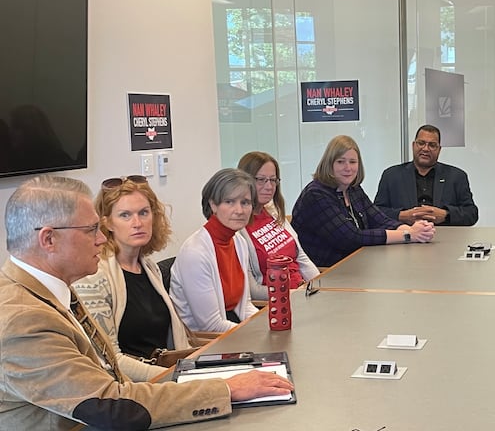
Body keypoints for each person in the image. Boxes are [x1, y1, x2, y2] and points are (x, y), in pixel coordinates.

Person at [0, 175, 293, 429]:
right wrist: (223, 389)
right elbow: (110, 405)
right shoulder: (22, 319)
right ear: (48, 240)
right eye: (92, 230)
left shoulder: (49, 288)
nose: (102, 239)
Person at [72, 175, 198, 382]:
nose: (137, 223)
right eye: (125, 215)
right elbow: (111, 360)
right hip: (132, 389)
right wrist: (181, 379)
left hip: (165, 377)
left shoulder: (148, 266)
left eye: (144, 213)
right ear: (107, 223)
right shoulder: (94, 278)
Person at [292, 135, 435, 267]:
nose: (348, 168)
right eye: (340, 162)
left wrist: (412, 229)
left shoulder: (353, 188)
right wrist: (408, 235)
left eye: (353, 162)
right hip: (326, 274)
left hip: (355, 265)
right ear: (329, 164)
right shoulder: (316, 195)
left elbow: (379, 220)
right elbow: (351, 238)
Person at [170, 168, 260, 332]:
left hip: (232, 328)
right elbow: (210, 326)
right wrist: (255, 334)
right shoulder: (195, 252)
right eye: (229, 202)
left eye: (245, 202)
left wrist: (263, 325)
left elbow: (245, 305)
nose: (239, 210)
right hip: (204, 344)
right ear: (213, 205)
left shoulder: (238, 241)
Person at [237, 151, 319, 297]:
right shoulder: (238, 229)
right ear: (245, 181)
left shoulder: (273, 212)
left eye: (273, 180)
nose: (269, 186)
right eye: (261, 180)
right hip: (278, 303)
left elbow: (301, 259)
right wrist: (293, 294)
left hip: (304, 292)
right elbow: (253, 291)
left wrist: (320, 287)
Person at [373, 124, 478, 226]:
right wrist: (402, 215)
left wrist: (446, 214)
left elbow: (471, 214)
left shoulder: (456, 176)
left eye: (432, 145)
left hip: (445, 238)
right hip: (403, 237)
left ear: (439, 149)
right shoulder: (391, 176)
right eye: (421, 143)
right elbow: (375, 213)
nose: (426, 149)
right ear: (413, 145)